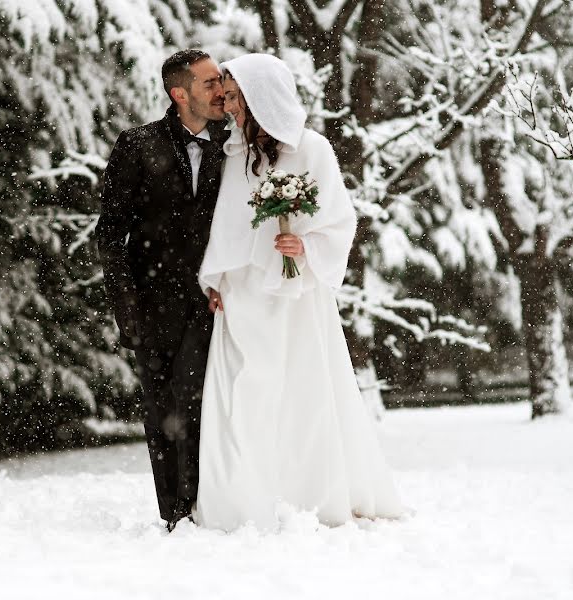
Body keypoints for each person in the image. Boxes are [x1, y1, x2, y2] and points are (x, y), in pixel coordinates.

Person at [194, 53, 406, 531]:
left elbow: (340, 221)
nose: (228, 108)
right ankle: (242, 497)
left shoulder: (313, 149)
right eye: (226, 98)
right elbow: (225, 228)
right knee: (244, 394)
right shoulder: (233, 154)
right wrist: (216, 279)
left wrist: (304, 245)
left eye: (234, 98)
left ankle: (305, 495)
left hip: (295, 295)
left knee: (300, 392)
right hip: (243, 295)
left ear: (259, 96)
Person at [96, 49, 229, 532]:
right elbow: (110, 235)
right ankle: (177, 514)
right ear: (180, 93)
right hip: (154, 306)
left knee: (217, 408)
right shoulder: (137, 146)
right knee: (167, 412)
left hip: (224, 302)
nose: (221, 90)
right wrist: (127, 313)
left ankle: (218, 506)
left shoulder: (234, 147)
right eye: (211, 83)